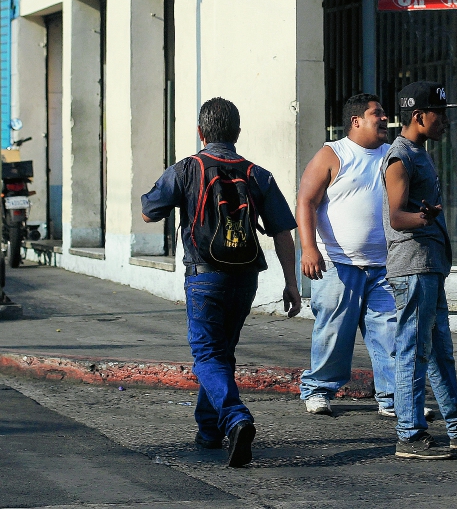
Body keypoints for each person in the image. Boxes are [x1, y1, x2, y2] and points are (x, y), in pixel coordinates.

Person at [141, 97, 302, 468]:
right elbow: (282, 232)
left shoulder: (187, 169)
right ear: (237, 133)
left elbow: (150, 212)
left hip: (204, 275)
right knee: (220, 353)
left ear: (200, 133)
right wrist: (291, 283)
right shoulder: (258, 174)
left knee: (207, 355)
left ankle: (235, 418)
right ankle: (209, 430)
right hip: (246, 278)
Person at [383, 81, 457, 460]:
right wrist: (424, 217)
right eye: (440, 114)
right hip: (412, 267)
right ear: (418, 116)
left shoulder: (419, 153)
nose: (445, 121)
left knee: (440, 350)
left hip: (429, 267)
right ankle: (409, 435)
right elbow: (397, 217)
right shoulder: (400, 157)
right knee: (413, 351)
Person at [296, 93, 397, 417]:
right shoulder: (332, 154)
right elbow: (305, 201)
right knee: (334, 333)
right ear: (356, 121)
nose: (384, 119)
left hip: (383, 266)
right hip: (339, 265)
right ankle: (317, 391)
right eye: (376, 113)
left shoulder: (392, 155)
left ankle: (394, 399)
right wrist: (309, 249)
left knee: (390, 334)